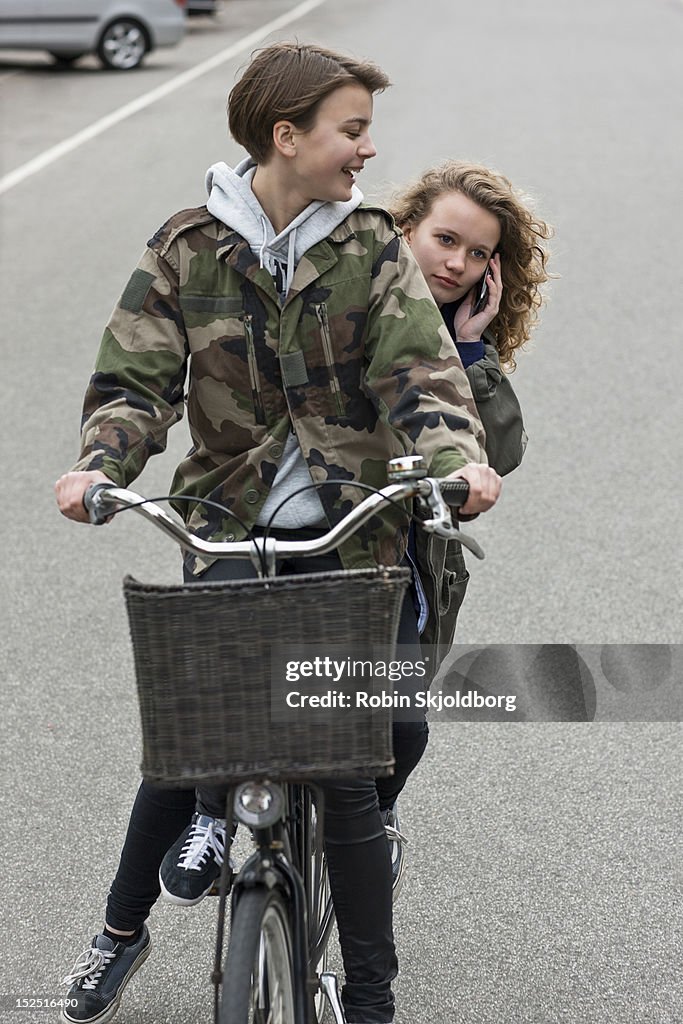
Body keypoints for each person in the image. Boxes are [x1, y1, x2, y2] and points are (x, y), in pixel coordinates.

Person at [54, 44, 501, 1024]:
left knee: (349, 770)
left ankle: (372, 998)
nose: (366, 149)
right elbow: (133, 380)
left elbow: (422, 376)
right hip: (223, 534)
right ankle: (117, 936)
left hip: (353, 548)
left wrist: (453, 460)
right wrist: (102, 464)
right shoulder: (185, 247)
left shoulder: (374, 249)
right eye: (350, 130)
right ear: (284, 135)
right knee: (188, 742)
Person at [388, 160, 552, 665]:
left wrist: (470, 348)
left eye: (477, 253)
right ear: (407, 229)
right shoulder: (358, 310)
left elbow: (497, 456)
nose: (458, 263)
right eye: (446, 239)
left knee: (401, 731)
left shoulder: (466, 343)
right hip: (345, 543)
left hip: (421, 558)